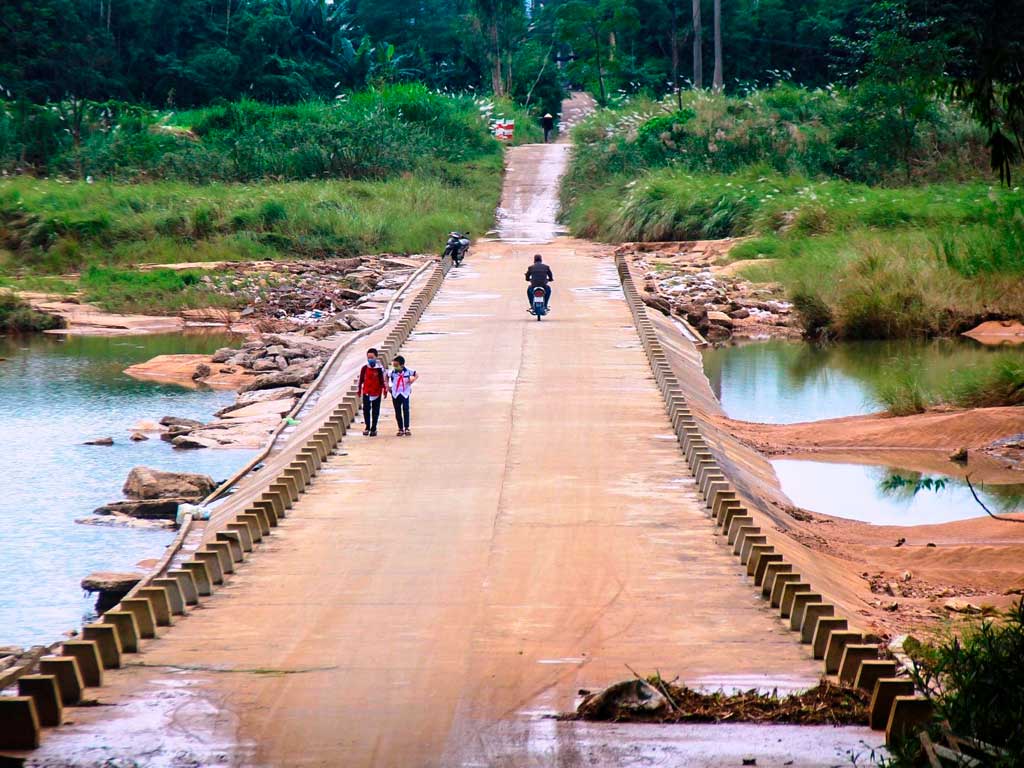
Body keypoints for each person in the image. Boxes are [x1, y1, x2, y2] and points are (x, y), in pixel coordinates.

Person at [387, 355, 419, 437]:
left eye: (396, 365)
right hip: (395, 393)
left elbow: (416, 374)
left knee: (405, 409)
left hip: (405, 393)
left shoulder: (408, 371)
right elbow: (386, 376)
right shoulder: (393, 372)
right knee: (397, 411)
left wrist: (412, 380)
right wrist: (388, 386)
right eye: (394, 365)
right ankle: (400, 428)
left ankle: (407, 427)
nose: (395, 367)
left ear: (402, 365)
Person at [358, 347, 387, 436]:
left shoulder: (380, 369)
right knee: (366, 410)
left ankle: (373, 428)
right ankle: (367, 426)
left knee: (375, 411)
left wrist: (385, 390)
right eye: (368, 358)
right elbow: (361, 380)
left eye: (372, 357)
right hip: (366, 391)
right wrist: (359, 390)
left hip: (376, 392)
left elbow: (383, 381)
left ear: (376, 357)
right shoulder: (364, 368)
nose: (370, 359)